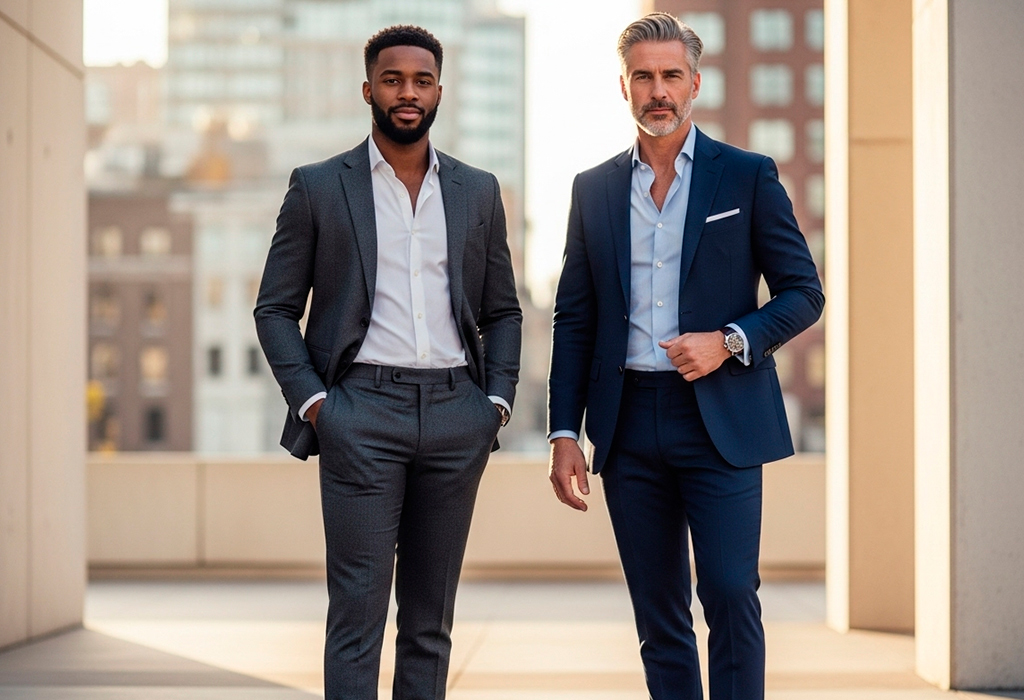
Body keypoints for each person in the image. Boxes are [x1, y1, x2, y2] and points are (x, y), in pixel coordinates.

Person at [547, 13, 824, 700]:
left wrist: (730, 341)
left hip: (720, 419)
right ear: (624, 88)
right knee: (659, 613)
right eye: (644, 76)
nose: (658, 90)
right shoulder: (594, 189)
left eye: (671, 75)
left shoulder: (748, 177)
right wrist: (562, 430)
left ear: (695, 83)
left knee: (731, 592)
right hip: (628, 421)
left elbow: (803, 293)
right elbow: (574, 317)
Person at [254, 25, 521, 700]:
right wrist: (318, 406)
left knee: (430, 622)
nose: (409, 93)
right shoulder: (317, 187)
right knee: (357, 618)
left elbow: (503, 311)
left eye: (422, 80)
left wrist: (494, 405)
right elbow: (274, 309)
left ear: (440, 90)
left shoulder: (478, 191)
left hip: (457, 412)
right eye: (394, 80)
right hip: (359, 414)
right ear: (369, 89)